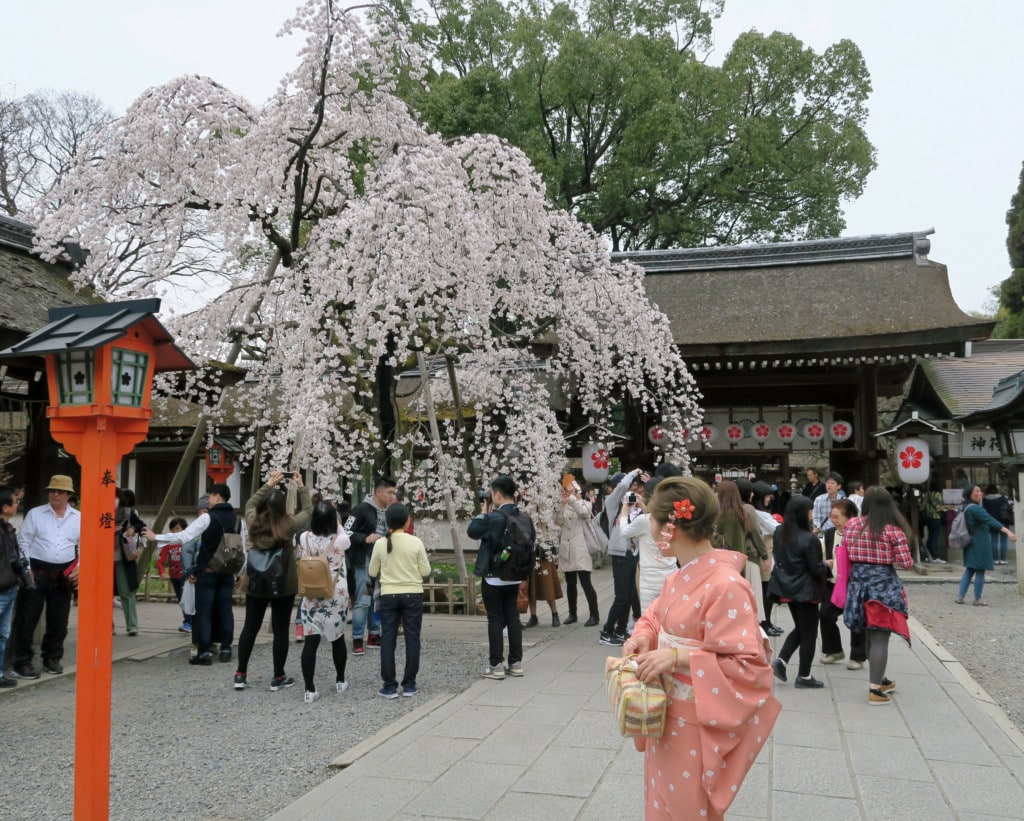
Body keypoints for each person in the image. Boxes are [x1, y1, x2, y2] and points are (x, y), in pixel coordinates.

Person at [623, 476, 780, 820]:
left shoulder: (726, 585)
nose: (648, 526)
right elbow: (653, 617)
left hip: (695, 720)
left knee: (687, 808)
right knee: (663, 801)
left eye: (651, 518)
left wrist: (678, 655)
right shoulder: (679, 577)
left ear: (669, 527)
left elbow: (749, 666)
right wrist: (644, 638)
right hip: (665, 715)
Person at [235, 470, 312, 691]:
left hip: (256, 582)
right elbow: (308, 510)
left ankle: (240, 673)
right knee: (280, 630)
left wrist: (269, 483)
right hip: (283, 584)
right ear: (282, 508)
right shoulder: (288, 526)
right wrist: (300, 486)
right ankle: (278, 677)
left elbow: (250, 503)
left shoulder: (253, 523)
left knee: (250, 627)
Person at [145, 483, 239, 665]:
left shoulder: (207, 518)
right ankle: (226, 648)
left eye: (210, 496)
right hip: (227, 572)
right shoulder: (237, 520)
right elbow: (240, 547)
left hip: (209, 571)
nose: (208, 500)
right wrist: (239, 573)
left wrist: (156, 537)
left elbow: (184, 536)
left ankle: (204, 652)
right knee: (225, 610)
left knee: (203, 611)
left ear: (218, 497)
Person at [842, 486, 914, 705]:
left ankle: (880, 678)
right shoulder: (893, 531)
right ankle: (875, 690)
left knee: (868, 633)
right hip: (882, 589)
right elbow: (906, 564)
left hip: (857, 586)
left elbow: (845, 550)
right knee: (881, 636)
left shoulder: (851, 525)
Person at [9, 475, 81, 679]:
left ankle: (52, 657)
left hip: (64, 574)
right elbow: (24, 542)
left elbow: (84, 545)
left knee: (59, 620)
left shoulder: (78, 517)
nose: (55, 494)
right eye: (52, 490)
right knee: (26, 618)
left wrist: (80, 568)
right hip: (37, 571)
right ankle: (21, 662)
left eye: (60, 491)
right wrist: (27, 568)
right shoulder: (35, 514)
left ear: (69, 495)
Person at [468, 474, 529, 679]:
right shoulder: (523, 517)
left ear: (497, 495)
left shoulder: (495, 517)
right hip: (514, 575)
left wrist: (482, 514)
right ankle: (516, 663)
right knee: (512, 617)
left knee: (494, 619)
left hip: (494, 576)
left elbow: (472, 531)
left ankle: (496, 665)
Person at [768, 495, 830, 689]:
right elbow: (815, 569)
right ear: (803, 513)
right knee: (809, 633)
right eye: (810, 511)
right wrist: (828, 566)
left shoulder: (779, 532)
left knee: (801, 628)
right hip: (806, 590)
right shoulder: (810, 539)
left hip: (786, 587)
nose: (812, 514)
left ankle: (782, 661)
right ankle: (804, 675)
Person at [369, 503, 430, 698]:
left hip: (389, 594)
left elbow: (372, 572)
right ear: (407, 521)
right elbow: (426, 571)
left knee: (388, 639)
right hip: (413, 594)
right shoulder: (416, 542)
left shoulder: (380, 543)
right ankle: (410, 684)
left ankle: (389, 685)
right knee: (413, 638)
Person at [295, 501, 351, 703]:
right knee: (337, 639)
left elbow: (304, 535)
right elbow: (342, 532)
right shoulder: (340, 540)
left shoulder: (304, 538)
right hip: (335, 593)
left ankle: (309, 690)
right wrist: (337, 521)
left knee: (311, 641)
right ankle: (340, 680)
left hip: (311, 593)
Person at [343, 477, 396, 654]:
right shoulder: (360, 509)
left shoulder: (388, 512)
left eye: (393, 492)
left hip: (382, 562)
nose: (392, 496)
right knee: (363, 601)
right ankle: (357, 638)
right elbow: (345, 531)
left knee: (378, 600)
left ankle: (374, 633)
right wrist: (364, 538)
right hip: (363, 561)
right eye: (389, 492)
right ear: (378, 492)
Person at [599, 468, 649, 646]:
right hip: (620, 553)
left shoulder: (635, 506)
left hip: (633, 554)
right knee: (621, 596)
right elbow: (621, 488)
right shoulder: (613, 505)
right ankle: (606, 631)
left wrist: (647, 484)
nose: (630, 492)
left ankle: (620, 630)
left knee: (628, 595)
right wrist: (632, 474)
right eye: (629, 489)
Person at [818, 498, 867, 669]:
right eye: (832, 516)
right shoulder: (830, 534)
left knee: (857, 619)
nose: (834, 520)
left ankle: (858, 656)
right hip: (834, 583)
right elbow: (823, 555)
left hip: (855, 584)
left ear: (851, 516)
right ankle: (834, 650)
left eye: (837, 516)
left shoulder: (860, 534)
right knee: (825, 615)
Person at [714, 480, 769, 623]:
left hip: (731, 563)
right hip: (743, 560)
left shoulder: (729, 514)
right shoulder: (738, 511)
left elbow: (731, 542)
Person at [621, 476, 677, 616]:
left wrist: (624, 511)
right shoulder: (674, 518)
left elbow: (624, 532)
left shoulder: (645, 520)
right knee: (669, 617)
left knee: (650, 619)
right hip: (671, 573)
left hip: (650, 578)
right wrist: (642, 506)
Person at [957, 484, 1016, 606]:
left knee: (970, 569)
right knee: (980, 571)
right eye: (976, 491)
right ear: (970, 494)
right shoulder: (976, 509)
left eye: (980, 491)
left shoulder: (964, 507)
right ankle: (977, 599)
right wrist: (1008, 531)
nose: (980, 493)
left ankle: (961, 596)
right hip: (980, 542)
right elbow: (990, 520)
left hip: (969, 541)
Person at [554, 477, 600, 626]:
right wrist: (561, 506)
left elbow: (584, 513)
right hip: (566, 547)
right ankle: (572, 613)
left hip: (580, 547)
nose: (568, 494)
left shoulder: (584, 503)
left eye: (572, 491)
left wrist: (573, 498)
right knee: (570, 583)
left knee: (586, 582)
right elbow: (558, 521)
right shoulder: (565, 505)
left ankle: (594, 614)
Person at [750, 481, 783, 636]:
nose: (770, 499)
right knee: (766, 592)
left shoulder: (758, 513)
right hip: (765, 555)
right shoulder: (760, 514)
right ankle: (765, 623)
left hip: (766, 554)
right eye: (768, 496)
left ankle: (767, 622)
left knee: (765, 591)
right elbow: (777, 529)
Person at [113, 488, 146, 637]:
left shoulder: (127, 512)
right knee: (103, 595)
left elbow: (141, 525)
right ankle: (107, 626)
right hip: (102, 558)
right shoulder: (98, 510)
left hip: (123, 557)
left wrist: (132, 528)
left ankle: (132, 626)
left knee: (126, 592)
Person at [0, 485, 24, 687]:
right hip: (1, 588)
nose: (18, 505)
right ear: (6, 507)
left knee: (3, 634)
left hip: (9, 587)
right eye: (15, 502)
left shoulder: (8, 529)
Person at [157, 517, 191, 632]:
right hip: (174, 576)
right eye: (173, 530)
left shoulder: (188, 541)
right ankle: (189, 621)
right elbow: (160, 560)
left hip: (185, 576)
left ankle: (188, 623)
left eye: (178, 529)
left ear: (184, 529)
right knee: (181, 600)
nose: (175, 532)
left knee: (185, 599)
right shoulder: (168, 543)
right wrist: (161, 572)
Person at [982, 485, 1014, 565]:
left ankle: (995, 560)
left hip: (992, 522)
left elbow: (983, 511)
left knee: (993, 540)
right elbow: (1010, 509)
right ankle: (1003, 559)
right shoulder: (1003, 498)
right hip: (1004, 522)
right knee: (1003, 541)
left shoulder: (985, 500)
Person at [919, 481, 946, 563]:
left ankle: (928, 556)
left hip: (927, 518)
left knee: (931, 537)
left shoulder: (927, 494)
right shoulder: (937, 494)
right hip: (935, 517)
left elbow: (922, 506)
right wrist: (947, 506)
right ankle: (934, 557)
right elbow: (938, 508)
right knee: (934, 537)